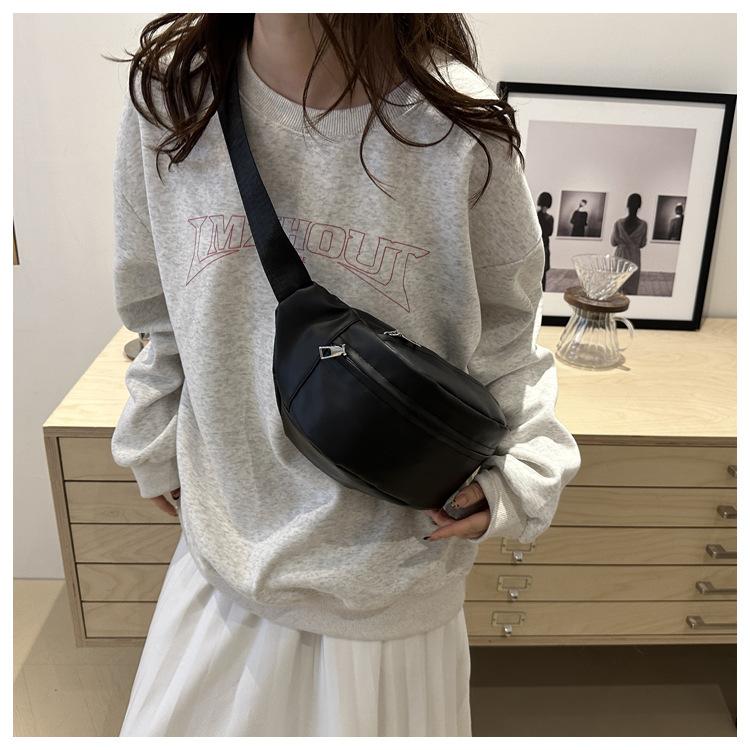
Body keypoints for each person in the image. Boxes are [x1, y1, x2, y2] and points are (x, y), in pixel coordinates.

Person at [109, 13, 581, 737]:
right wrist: (153, 438)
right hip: (223, 562)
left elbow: (508, 334)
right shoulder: (173, 99)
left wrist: (523, 475)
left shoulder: (458, 125)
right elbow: (158, 307)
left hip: (392, 579)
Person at [611, 193, 648, 295]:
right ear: (639, 206)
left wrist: (623, 242)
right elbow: (642, 243)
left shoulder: (618, 223)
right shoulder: (643, 225)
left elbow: (613, 242)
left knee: (617, 285)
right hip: (634, 256)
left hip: (620, 256)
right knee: (632, 285)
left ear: (627, 205)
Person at [536, 191, 554, 290]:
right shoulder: (549, 218)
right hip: (543, 246)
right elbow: (550, 232)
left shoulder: (535, 215)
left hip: (536, 246)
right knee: (542, 274)